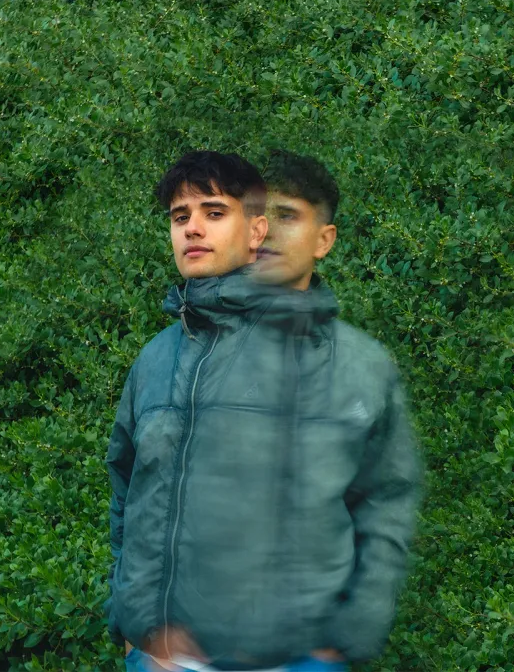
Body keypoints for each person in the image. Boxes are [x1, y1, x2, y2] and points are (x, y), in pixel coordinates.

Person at [104, 149, 421, 672]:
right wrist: (132, 620)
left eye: (213, 212)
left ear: (257, 232)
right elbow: (126, 492)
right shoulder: (154, 359)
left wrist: (344, 638)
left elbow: (380, 502)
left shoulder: (320, 355)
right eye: (180, 217)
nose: (192, 228)